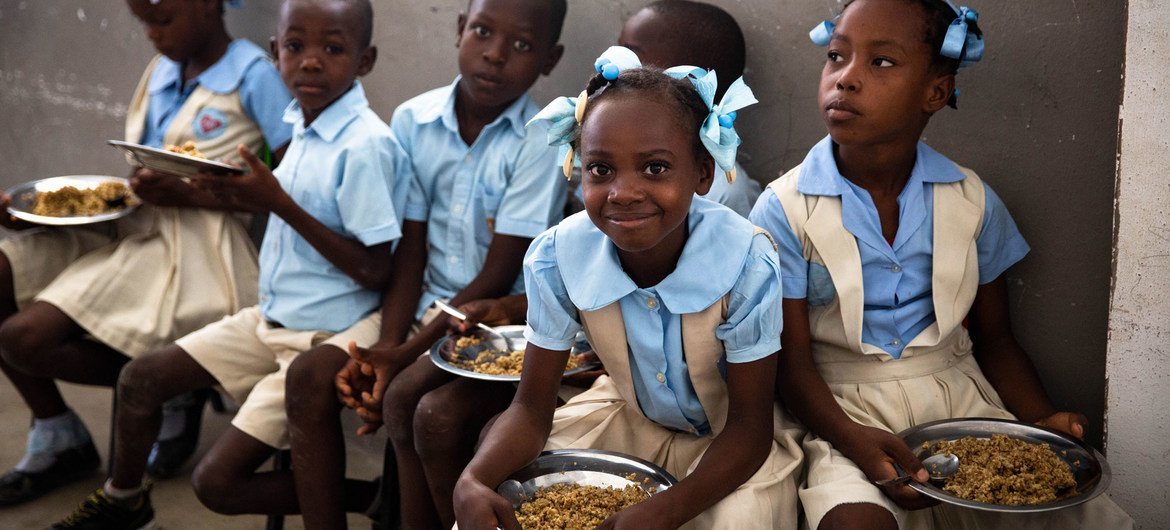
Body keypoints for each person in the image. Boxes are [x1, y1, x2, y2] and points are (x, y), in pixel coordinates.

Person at [748, 1, 1134, 529]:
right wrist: (857, 444)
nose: (846, 79)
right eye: (836, 56)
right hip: (837, 414)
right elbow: (792, 367)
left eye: (880, 62)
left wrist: (1043, 420)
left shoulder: (971, 201)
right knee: (854, 522)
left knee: (1067, 512)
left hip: (958, 402)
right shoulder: (783, 207)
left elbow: (996, 341)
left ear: (936, 91)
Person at [47, 0, 411, 527]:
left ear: (365, 60)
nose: (310, 62)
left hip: (326, 332)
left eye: (332, 49)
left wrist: (278, 202)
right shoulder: (301, 123)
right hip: (270, 318)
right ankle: (125, 501)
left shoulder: (366, 146)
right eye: (295, 47)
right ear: (275, 55)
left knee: (216, 484)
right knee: (140, 380)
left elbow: (378, 271)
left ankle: (369, 497)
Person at [450, 46, 804, 530]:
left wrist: (664, 510)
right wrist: (471, 480)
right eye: (601, 169)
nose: (624, 192)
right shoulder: (557, 256)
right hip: (626, 418)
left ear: (702, 173)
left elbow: (749, 430)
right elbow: (531, 410)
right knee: (515, 491)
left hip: (732, 447)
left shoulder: (746, 259)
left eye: (655, 168)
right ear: (578, 168)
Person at [0, 0, 293, 506]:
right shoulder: (161, 71)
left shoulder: (254, 76)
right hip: (133, 225)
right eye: (144, 24)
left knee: (23, 340)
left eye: (163, 20)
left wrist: (196, 194)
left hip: (197, 244)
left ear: (207, 6)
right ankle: (59, 430)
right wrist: (35, 213)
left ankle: (170, 381)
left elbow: (290, 187)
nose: (154, 35)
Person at [292, 0, 567, 527]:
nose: (494, 55)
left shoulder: (541, 138)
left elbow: (497, 271)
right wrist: (388, 347)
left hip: (494, 323)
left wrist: (404, 354)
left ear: (550, 58)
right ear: (460, 28)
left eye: (522, 45)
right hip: (418, 306)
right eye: (483, 32)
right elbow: (409, 250)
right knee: (313, 374)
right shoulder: (412, 120)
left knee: (410, 403)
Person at [615, 0, 762, 218]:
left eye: (631, 58)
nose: (611, 69)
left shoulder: (726, 193)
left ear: (694, 81)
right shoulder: (610, 154)